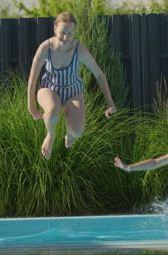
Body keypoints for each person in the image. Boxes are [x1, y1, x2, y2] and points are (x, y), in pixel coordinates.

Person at [27, 12, 117, 159]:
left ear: (74, 32)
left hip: (73, 92)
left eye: (70, 33)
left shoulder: (79, 49)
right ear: (55, 28)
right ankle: (50, 135)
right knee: (52, 113)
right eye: (62, 32)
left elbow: (99, 74)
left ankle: (70, 133)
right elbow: (33, 77)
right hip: (49, 89)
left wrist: (110, 103)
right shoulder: (46, 48)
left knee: (77, 132)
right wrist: (30, 106)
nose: (65, 37)